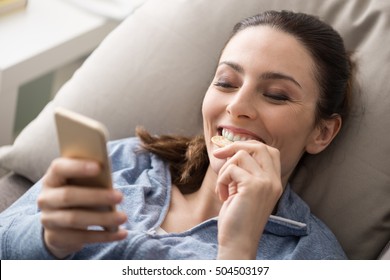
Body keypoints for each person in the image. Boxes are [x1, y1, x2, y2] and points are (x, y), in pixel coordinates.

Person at [0, 10, 354, 259]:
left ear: (322, 132)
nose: (237, 106)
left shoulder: (309, 255)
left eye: (277, 94)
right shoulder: (126, 161)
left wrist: (237, 254)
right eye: (226, 83)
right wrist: (47, 241)